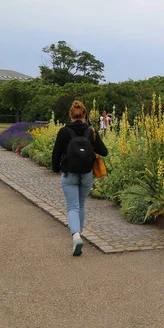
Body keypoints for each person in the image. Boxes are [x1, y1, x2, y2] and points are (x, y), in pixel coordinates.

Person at [52, 100, 108, 256]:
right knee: (81, 205)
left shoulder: (64, 132)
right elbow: (104, 152)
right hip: (87, 173)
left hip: (69, 174)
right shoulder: (91, 131)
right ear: (84, 115)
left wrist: (56, 168)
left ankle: (76, 236)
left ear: (71, 115)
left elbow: (56, 154)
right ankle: (79, 236)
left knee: (72, 206)